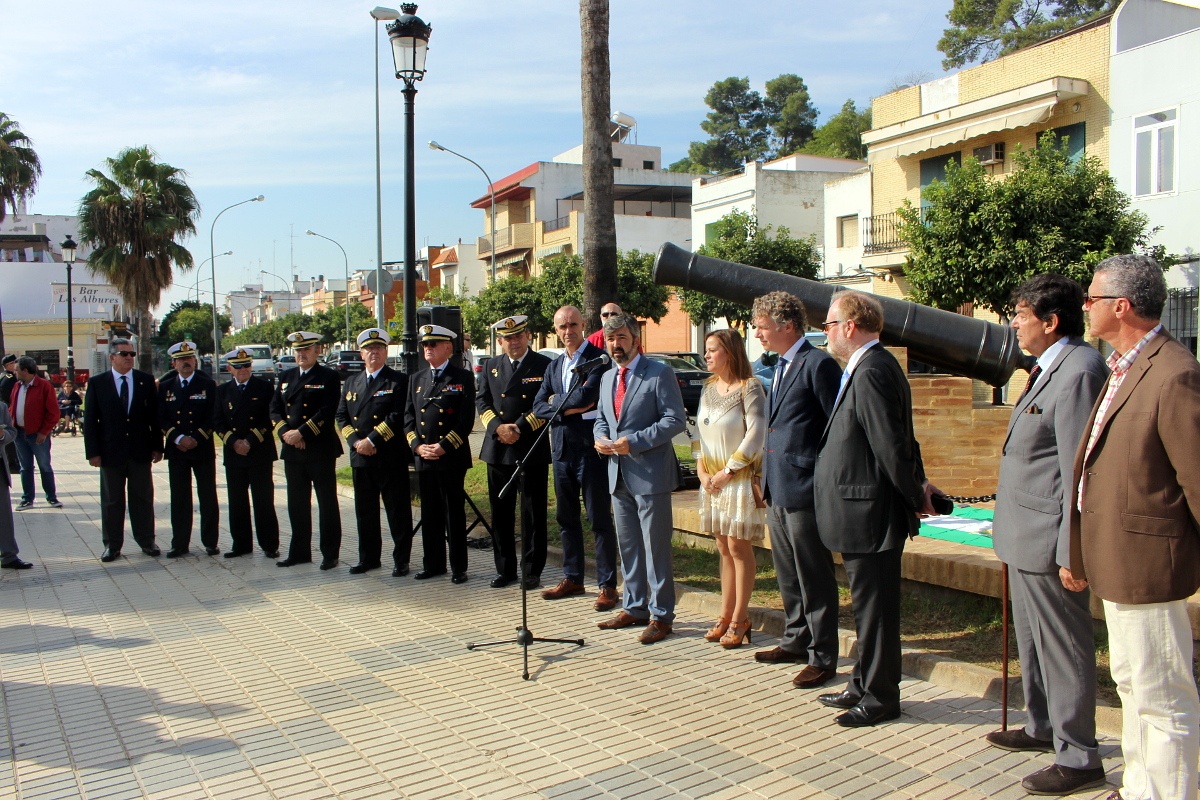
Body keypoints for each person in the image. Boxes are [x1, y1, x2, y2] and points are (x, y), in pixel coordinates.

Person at [1069, 254, 1200, 800]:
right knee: (1132, 684)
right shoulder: (1124, 366)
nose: (1084, 306)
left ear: (1120, 306)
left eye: (1092, 297)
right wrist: (1078, 552)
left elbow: (1196, 477)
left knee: (1162, 696)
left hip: (1149, 565)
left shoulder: (1174, 372)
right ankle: (1141, 787)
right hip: (1117, 559)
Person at [987, 275, 1108, 795]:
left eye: (1021, 314)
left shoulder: (1079, 370)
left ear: (1051, 321)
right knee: (1034, 642)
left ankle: (1079, 756)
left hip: (1048, 538)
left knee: (1063, 648)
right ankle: (1042, 726)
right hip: (1023, 534)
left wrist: (1070, 550)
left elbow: (1079, 472)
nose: (1014, 323)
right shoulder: (1048, 367)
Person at [814, 291, 935, 727]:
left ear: (850, 326)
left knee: (877, 610)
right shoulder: (867, 366)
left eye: (829, 325)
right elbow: (899, 437)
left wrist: (914, 495)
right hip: (860, 511)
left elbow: (890, 444)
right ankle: (862, 682)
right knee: (866, 606)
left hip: (870, 513)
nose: (826, 333)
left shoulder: (873, 369)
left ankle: (881, 697)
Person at [750, 292, 841, 685]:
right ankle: (795, 640)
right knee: (788, 573)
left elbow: (836, 428)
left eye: (763, 327)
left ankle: (823, 656)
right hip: (778, 485)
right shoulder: (781, 365)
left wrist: (821, 479)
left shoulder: (818, 364)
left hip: (805, 488)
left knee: (814, 576)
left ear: (787, 326)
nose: (758, 334)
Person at [594, 312, 686, 644]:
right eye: (610, 339)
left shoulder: (659, 373)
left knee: (655, 548)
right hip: (617, 474)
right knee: (629, 546)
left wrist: (635, 441)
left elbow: (674, 419)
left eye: (621, 337)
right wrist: (600, 437)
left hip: (650, 475)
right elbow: (602, 419)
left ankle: (661, 616)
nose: (616, 344)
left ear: (636, 339)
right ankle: (635, 607)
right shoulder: (607, 377)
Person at [534, 305, 619, 611]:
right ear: (555, 330)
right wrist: (567, 407)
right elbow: (538, 405)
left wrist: (557, 404)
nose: (567, 331)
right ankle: (573, 577)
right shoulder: (554, 365)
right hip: (561, 452)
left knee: (598, 519)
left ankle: (608, 585)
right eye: (562, 326)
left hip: (589, 452)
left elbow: (587, 397)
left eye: (572, 325)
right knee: (566, 518)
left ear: (583, 325)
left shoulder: (598, 359)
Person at [695, 329, 767, 648]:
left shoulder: (750, 387)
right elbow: (699, 433)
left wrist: (728, 471)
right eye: (706, 349)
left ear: (730, 352)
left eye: (713, 349)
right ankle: (725, 616)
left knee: (739, 548)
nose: (706, 355)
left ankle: (741, 618)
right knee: (723, 547)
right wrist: (701, 471)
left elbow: (756, 434)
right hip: (711, 482)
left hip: (736, 480)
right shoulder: (708, 387)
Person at [476, 315, 552, 590]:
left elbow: (547, 402)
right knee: (501, 513)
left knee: (532, 513)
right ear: (500, 341)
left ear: (528, 335)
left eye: (518, 335)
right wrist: (497, 428)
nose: (514, 341)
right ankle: (505, 569)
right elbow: (482, 400)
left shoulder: (543, 365)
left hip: (529, 446)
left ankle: (531, 570)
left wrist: (518, 427)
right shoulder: (490, 366)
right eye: (508, 338)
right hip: (498, 448)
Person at [336, 328, 413, 576]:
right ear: (361, 354)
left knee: (397, 511)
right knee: (365, 512)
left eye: (379, 348)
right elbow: (342, 416)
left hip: (389, 456)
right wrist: (356, 442)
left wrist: (372, 440)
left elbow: (397, 416)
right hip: (361, 456)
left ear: (385, 352)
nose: (374, 353)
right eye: (369, 349)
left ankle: (401, 560)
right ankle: (368, 558)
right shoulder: (352, 382)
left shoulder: (398, 381)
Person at [405, 324, 476, 583]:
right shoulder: (416, 379)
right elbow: (408, 418)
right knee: (430, 513)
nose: (428, 348)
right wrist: (417, 446)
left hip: (450, 457)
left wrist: (444, 446)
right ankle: (433, 564)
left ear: (448, 347)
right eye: (425, 344)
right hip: (424, 457)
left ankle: (459, 567)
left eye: (433, 344)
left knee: (452, 514)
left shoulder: (462, 377)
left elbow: (465, 420)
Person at [83, 338, 163, 562]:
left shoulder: (145, 381)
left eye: (132, 354)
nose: (129, 358)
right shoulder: (98, 383)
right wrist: (93, 452)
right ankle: (112, 545)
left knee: (142, 498)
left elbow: (154, 417)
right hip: (110, 452)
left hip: (139, 451)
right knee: (112, 501)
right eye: (124, 354)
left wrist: (157, 446)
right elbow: (90, 421)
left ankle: (147, 541)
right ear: (112, 357)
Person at [271, 331, 343, 570]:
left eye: (306, 350)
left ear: (317, 351)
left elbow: (327, 411)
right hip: (293, 450)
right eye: (298, 350)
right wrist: (287, 434)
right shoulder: (286, 376)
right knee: (297, 503)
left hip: (319, 448)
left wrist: (302, 433)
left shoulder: (328, 376)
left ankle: (330, 554)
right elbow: (274, 409)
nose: (301, 354)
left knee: (327, 503)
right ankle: (299, 552)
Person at [213, 347, 280, 559]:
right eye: (238, 366)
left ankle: (269, 545)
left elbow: (269, 418)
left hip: (259, 451)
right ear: (229, 368)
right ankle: (241, 545)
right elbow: (217, 421)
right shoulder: (222, 391)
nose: (243, 369)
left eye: (247, 365)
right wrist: (234, 442)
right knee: (237, 501)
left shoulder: (264, 387)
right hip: (235, 453)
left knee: (263, 501)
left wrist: (250, 441)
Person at [158, 342, 220, 558]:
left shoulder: (208, 385)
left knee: (208, 496)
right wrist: (178, 438)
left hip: (201, 448)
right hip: (177, 450)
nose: (186, 362)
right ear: (174, 363)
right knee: (180, 498)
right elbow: (161, 417)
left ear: (195, 360)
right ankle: (180, 543)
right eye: (181, 360)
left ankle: (210, 542)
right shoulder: (165, 387)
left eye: (189, 358)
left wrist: (196, 438)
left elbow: (213, 416)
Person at [9, 356, 62, 510]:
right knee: (25, 467)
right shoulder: (17, 385)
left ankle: (51, 497)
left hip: (38, 435)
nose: (14, 372)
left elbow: (53, 413)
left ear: (25, 371)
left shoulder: (44, 386)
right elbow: (13, 406)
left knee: (44, 465)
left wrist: (44, 432)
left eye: (17, 370)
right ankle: (27, 499)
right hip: (20, 434)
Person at [0, 399, 33, 569]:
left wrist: (2, 435)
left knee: (3, 515)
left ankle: (9, 555)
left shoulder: (1, 407)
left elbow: (12, 431)